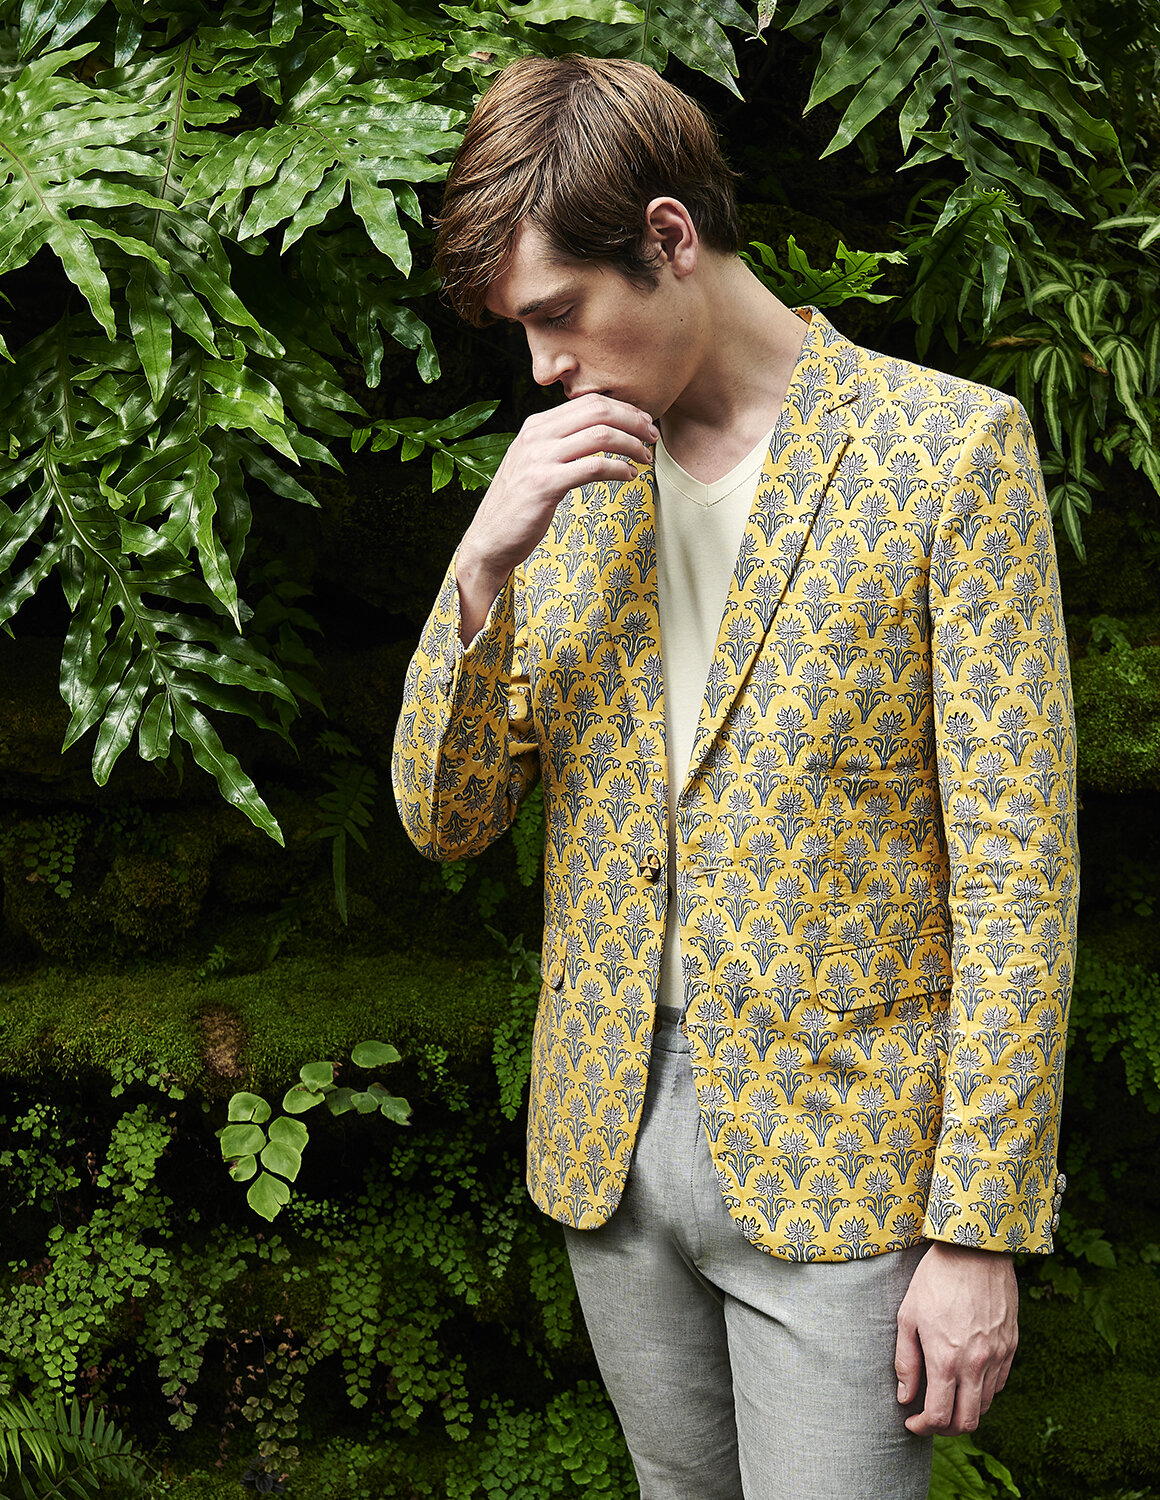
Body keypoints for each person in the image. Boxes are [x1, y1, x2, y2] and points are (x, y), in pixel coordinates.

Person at [393, 53, 1077, 1500]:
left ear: (668, 236)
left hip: (851, 1172)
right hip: (608, 1151)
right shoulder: (564, 489)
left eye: (557, 317)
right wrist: (482, 562)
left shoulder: (951, 454)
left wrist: (979, 1228)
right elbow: (446, 820)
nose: (543, 368)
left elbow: (1023, 871)